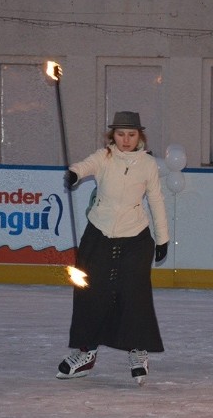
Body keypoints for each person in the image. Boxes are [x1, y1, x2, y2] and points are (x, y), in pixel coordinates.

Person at [56, 111, 169, 386]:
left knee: (134, 294)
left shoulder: (148, 165)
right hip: (98, 234)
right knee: (90, 292)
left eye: (131, 135)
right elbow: (83, 166)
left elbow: (155, 200)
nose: (126, 140)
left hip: (135, 237)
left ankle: (137, 350)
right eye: (120, 134)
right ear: (112, 136)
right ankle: (86, 351)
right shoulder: (104, 157)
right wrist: (73, 174)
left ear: (139, 136)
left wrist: (163, 238)